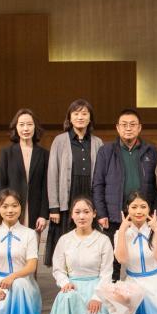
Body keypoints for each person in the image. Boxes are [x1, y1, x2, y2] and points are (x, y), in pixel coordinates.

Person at [43, 197, 114, 314]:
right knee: (67, 297)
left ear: (94, 214)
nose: (82, 216)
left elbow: (106, 273)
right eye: (77, 212)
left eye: (86, 212)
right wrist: (65, 283)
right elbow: (58, 269)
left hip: (96, 288)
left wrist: (97, 297)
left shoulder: (103, 240)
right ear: (72, 215)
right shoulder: (64, 240)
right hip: (72, 287)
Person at [46, 99, 104, 265]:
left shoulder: (98, 142)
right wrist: (54, 207)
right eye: (76, 113)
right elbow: (53, 173)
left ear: (90, 118)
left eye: (84, 113)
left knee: (90, 239)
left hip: (89, 193)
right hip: (68, 195)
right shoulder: (59, 140)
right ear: (69, 118)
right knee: (66, 240)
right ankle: (66, 275)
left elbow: (101, 175)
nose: (80, 117)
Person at [92, 108, 157, 233]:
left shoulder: (151, 151)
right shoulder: (106, 151)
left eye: (132, 124)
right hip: (114, 216)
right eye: (124, 125)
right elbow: (98, 184)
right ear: (118, 128)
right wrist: (101, 213)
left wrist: (155, 212)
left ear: (139, 128)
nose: (128, 128)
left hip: (144, 215)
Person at [114, 191, 157, 314]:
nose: (138, 211)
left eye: (143, 207)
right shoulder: (120, 233)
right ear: (127, 208)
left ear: (149, 209)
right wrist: (122, 231)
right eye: (134, 207)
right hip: (132, 285)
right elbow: (121, 259)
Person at [0, 108, 49, 236]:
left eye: (29, 124)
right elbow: (1, 185)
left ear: (35, 127)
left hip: (35, 212)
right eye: (21, 124)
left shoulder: (44, 154)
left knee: (32, 246)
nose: (26, 129)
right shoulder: (6, 153)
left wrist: (43, 215)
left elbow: (46, 187)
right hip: (11, 210)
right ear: (16, 127)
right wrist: (3, 210)